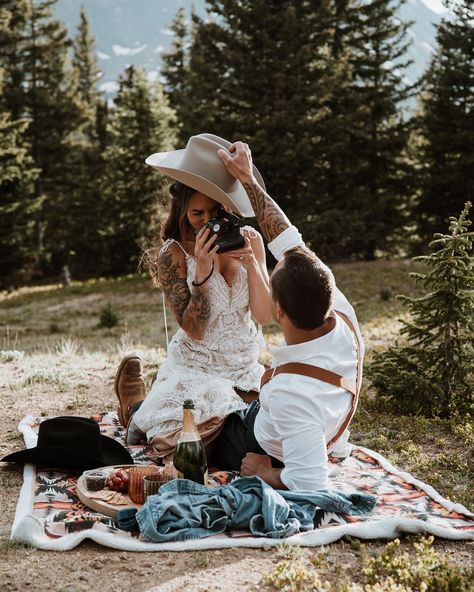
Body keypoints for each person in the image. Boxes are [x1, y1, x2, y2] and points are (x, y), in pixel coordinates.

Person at [207, 140, 365, 491]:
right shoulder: (342, 314)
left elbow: (311, 482)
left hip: (255, 441)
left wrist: (267, 472)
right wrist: (248, 178)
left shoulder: (289, 393)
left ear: (277, 309)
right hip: (315, 425)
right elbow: (288, 239)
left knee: (188, 425)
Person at [115, 134, 273, 461]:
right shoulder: (173, 254)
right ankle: (134, 408)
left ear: (227, 207)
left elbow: (263, 316)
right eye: (197, 213)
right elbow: (195, 330)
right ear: (182, 208)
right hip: (197, 368)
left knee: (262, 433)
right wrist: (201, 272)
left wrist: (255, 265)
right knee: (181, 446)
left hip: (243, 367)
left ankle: (146, 407)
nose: (206, 222)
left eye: (215, 212)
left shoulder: (249, 240)